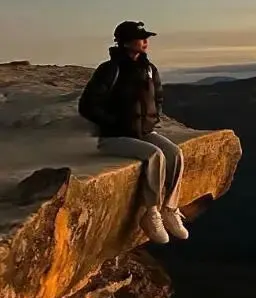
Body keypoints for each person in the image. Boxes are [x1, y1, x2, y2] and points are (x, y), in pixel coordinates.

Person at [78, 21, 189, 244]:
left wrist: (153, 118)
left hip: (142, 132)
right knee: (154, 155)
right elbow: (87, 105)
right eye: (141, 38)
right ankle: (151, 212)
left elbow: (157, 98)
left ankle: (170, 208)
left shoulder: (149, 69)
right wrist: (114, 123)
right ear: (127, 42)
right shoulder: (111, 70)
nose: (146, 41)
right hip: (113, 137)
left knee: (175, 153)